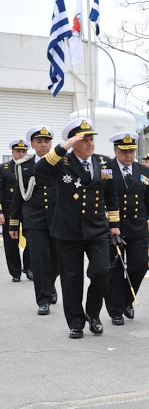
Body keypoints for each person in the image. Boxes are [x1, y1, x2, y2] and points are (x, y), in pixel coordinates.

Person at [35, 118, 120, 339]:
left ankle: (93, 314)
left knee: (102, 271)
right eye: (85, 140)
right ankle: (75, 322)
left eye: (91, 139)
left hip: (97, 229)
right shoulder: (61, 162)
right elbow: (39, 169)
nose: (90, 144)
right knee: (71, 279)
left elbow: (112, 197)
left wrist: (115, 227)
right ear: (74, 142)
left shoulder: (104, 163)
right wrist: (63, 147)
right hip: (68, 230)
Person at [104, 132, 149, 325]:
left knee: (139, 266)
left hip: (137, 228)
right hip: (114, 228)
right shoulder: (106, 169)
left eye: (131, 151)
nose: (128, 155)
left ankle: (128, 300)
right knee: (115, 270)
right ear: (115, 150)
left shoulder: (143, 170)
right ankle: (115, 309)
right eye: (124, 151)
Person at [9, 127, 61, 315]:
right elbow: (19, 194)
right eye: (38, 141)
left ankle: (51, 285)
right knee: (39, 261)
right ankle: (43, 299)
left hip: (58, 220)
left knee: (56, 260)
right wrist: (14, 222)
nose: (43, 144)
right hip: (35, 221)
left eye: (46, 141)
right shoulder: (24, 165)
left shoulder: (61, 163)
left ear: (51, 144)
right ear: (32, 144)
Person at [1, 139, 32, 282]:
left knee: (31, 240)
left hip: (27, 210)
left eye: (23, 151)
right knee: (11, 242)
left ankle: (29, 267)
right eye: (18, 151)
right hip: (8, 210)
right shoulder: (4, 168)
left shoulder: (31, 167)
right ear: (12, 152)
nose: (21, 154)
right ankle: (15, 272)